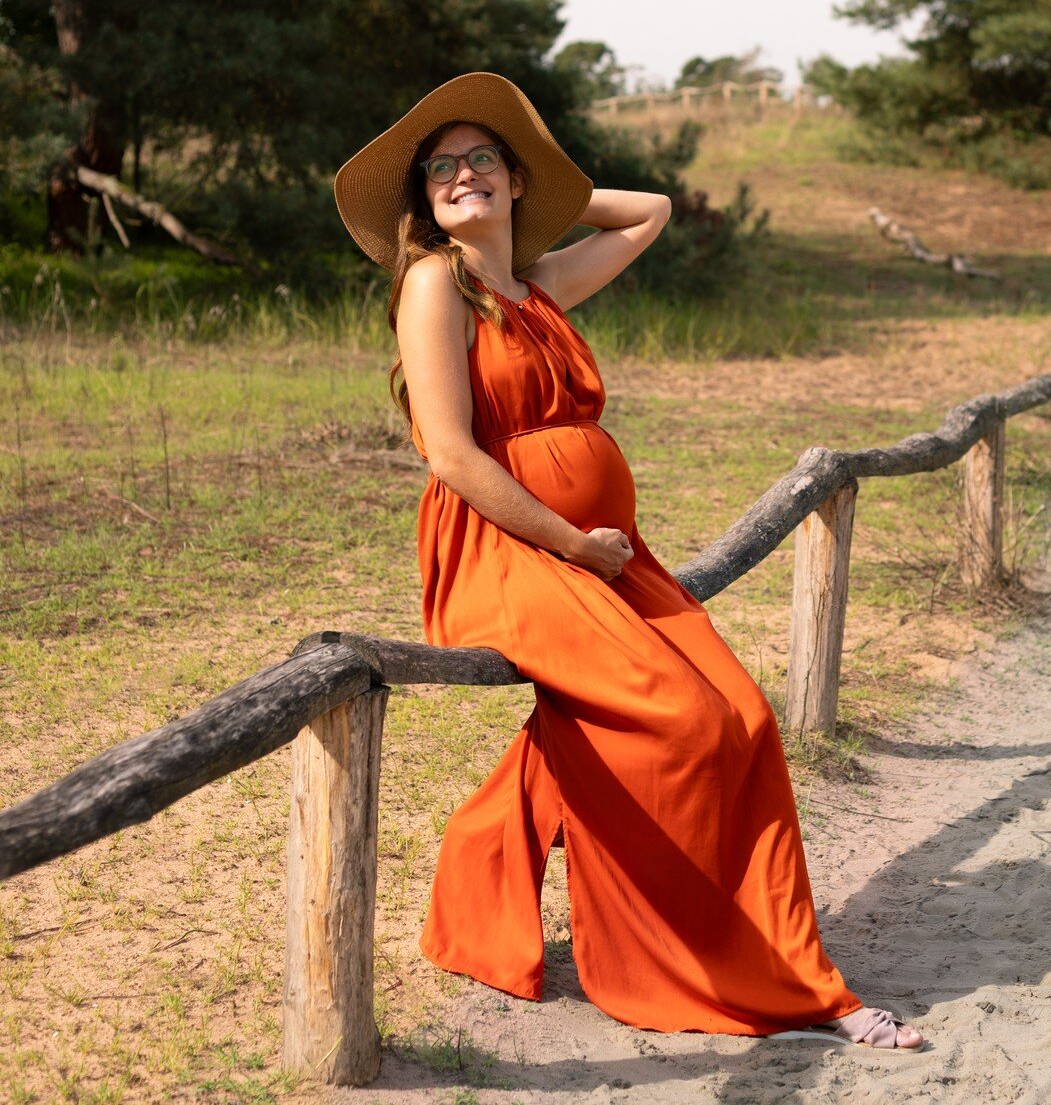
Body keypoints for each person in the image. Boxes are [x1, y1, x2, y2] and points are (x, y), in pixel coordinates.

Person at [333, 72, 924, 1051]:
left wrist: (546, 188)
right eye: (440, 168)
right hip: (508, 550)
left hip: (604, 556)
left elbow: (646, 213)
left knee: (741, 717)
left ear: (518, 183)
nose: (459, 175)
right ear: (423, 200)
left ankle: (488, 864)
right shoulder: (437, 285)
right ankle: (707, 972)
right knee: (682, 719)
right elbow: (449, 452)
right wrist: (571, 540)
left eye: (482, 158)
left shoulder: (536, 282)